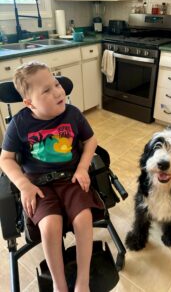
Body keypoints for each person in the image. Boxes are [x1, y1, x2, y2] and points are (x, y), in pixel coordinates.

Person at [0, 61, 104, 292]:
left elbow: (91, 141)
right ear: (29, 103)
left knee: (84, 219)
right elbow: (5, 159)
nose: (58, 91)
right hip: (38, 186)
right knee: (50, 226)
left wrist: (83, 167)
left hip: (71, 178)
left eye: (56, 84)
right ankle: (59, 285)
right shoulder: (19, 124)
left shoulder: (73, 114)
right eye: (46, 90)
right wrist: (23, 185)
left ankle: (82, 281)